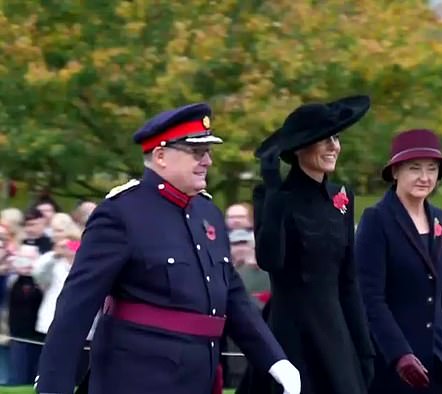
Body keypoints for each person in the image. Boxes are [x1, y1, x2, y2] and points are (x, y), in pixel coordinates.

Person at [34, 103, 300, 394]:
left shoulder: (207, 212)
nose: (208, 161)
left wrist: (275, 360)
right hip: (136, 377)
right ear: (160, 156)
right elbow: (77, 305)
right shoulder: (122, 213)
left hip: (199, 375)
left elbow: (232, 296)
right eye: (197, 153)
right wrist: (53, 384)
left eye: (209, 152)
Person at [250, 95, 375, 394]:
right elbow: (270, 260)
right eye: (324, 139)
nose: (334, 147)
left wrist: (364, 346)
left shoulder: (341, 197)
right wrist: (273, 191)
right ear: (299, 148)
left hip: (336, 335)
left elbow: (348, 280)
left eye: (336, 137)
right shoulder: (273, 196)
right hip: (291, 335)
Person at [355, 129, 442, 394]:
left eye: (432, 169)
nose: (424, 177)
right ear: (395, 171)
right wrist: (400, 355)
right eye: (415, 168)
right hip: (396, 366)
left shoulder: (441, 219)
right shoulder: (377, 220)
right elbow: (370, 299)